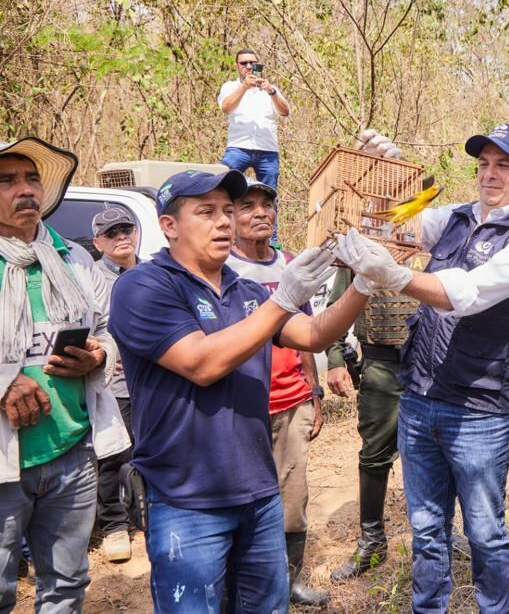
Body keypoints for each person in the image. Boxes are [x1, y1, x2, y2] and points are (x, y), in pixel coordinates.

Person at [108, 169, 369, 611]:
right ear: (168, 225)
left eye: (228, 211)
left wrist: (363, 283)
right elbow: (201, 363)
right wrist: (282, 300)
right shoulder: (144, 285)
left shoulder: (245, 290)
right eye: (206, 212)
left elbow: (314, 335)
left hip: (258, 491)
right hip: (187, 498)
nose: (224, 222)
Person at [332, 123, 509, 613]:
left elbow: (466, 294)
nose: (490, 175)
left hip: (481, 410)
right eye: (484, 165)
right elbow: (401, 223)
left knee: (483, 530)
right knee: (427, 529)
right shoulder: (455, 218)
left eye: (505, 166)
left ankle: (492, 608)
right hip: (419, 398)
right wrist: (392, 175)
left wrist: (396, 275)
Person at [0, 138, 131, 611]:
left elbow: (106, 331)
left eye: (32, 178)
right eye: (7, 180)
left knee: (66, 586)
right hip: (4, 464)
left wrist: (97, 356)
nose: (25, 190)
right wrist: (4, 383)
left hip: (73, 450)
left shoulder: (72, 258)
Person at [224, 176, 328, 607]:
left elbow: (305, 330)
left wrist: (314, 391)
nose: (260, 213)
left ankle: (288, 582)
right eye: (247, 206)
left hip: (291, 400)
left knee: (292, 498)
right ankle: (237, 588)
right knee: (237, 502)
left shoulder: (290, 264)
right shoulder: (222, 267)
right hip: (238, 407)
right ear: (230, 217)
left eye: (267, 205)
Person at [325, 130, 408, 581]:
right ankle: (372, 539)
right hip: (379, 363)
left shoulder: (427, 231)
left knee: (433, 451)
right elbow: (337, 302)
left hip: (430, 364)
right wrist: (336, 358)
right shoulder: (360, 239)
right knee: (375, 453)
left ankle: (436, 529)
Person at [90, 204, 143, 563]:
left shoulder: (155, 269)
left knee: (151, 449)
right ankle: (113, 526)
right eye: (112, 233)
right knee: (114, 457)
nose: (121, 236)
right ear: (98, 242)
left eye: (126, 229)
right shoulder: (91, 277)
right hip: (116, 385)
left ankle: (146, 514)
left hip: (155, 382)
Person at [218, 48, 290, 193]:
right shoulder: (230, 87)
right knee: (223, 187)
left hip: (267, 150)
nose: (249, 67)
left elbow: (285, 112)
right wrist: (244, 87)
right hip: (238, 147)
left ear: (258, 65)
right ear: (237, 66)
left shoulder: (270, 90)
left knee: (269, 194)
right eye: (244, 63)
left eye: (252, 63)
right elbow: (226, 108)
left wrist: (272, 92)